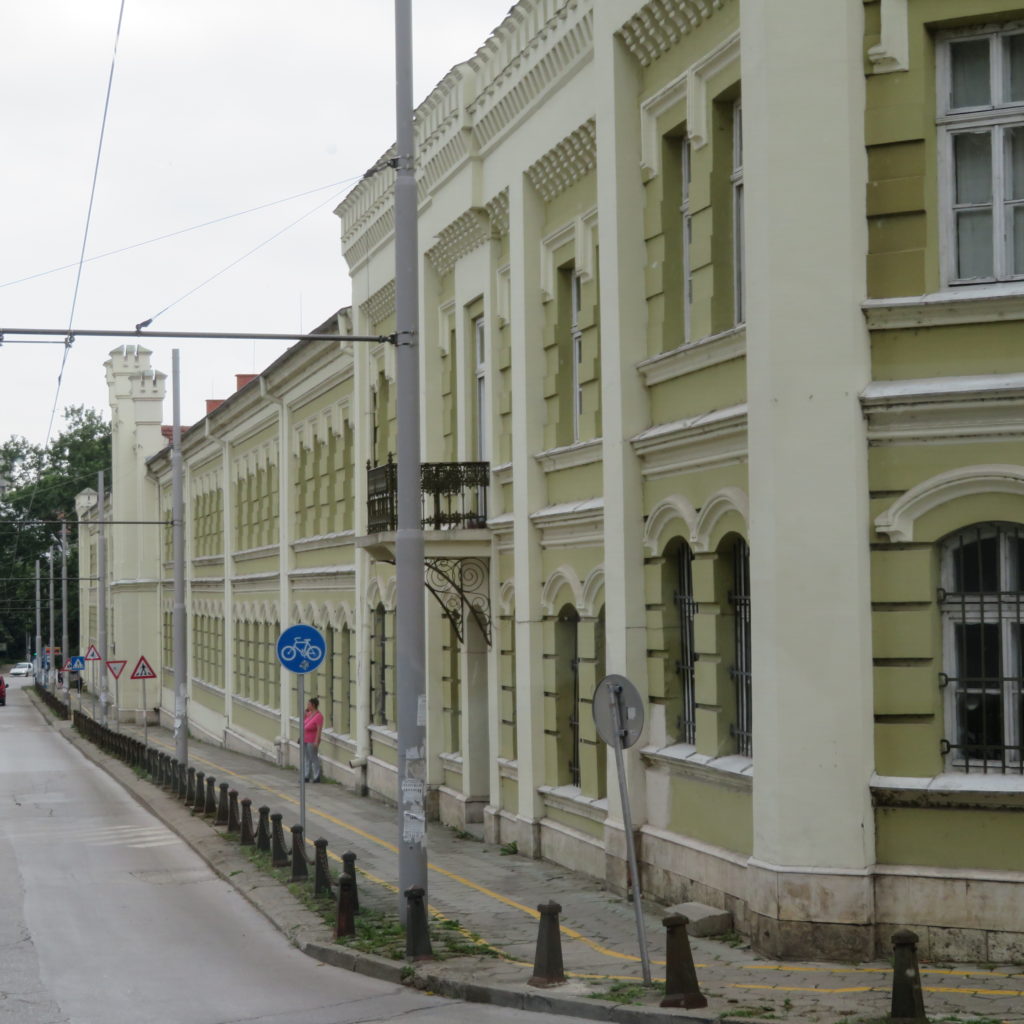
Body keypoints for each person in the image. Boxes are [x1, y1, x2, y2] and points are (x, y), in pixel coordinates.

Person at [302, 696, 324, 783]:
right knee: (306, 758)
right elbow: (303, 724)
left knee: (313, 757)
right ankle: (306, 775)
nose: (307, 705)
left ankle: (316, 776)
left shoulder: (319, 716)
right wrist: (305, 712)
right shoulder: (309, 714)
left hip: (312, 740)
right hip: (305, 738)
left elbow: (319, 729)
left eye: (309, 704)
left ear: (313, 705)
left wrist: (316, 740)